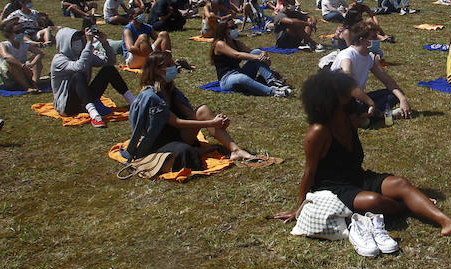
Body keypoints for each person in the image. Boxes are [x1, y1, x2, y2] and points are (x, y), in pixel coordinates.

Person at [276, 70, 451, 250]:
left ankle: (447, 223)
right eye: (344, 91)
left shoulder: (350, 118)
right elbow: (309, 172)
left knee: (401, 183)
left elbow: (372, 111)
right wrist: (298, 209)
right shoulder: (318, 132)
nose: (351, 93)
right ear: (329, 98)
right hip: (333, 188)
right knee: (374, 201)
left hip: (358, 177)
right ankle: (408, 205)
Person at [122, 50, 255, 164]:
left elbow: (191, 115)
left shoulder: (170, 89)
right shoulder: (151, 96)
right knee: (184, 153)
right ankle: (196, 150)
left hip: (177, 135)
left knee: (203, 110)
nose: (174, 67)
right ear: (156, 70)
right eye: (169, 65)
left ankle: (235, 150)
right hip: (159, 140)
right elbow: (177, 122)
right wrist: (212, 122)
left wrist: (216, 123)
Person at [50, 23, 134, 128]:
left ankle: (133, 102)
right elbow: (79, 67)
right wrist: (89, 44)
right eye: (74, 39)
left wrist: (104, 43)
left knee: (108, 69)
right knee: (78, 76)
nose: (78, 41)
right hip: (67, 106)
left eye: (78, 38)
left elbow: (110, 61)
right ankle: (94, 115)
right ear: (65, 42)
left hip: (84, 99)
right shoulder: (59, 59)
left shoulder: (84, 54)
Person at [333, 20, 412, 124]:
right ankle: (378, 115)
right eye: (374, 37)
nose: (377, 40)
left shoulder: (370, 58)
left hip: (359, 98)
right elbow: (349, 85)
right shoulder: (347, 56)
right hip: (339, 100)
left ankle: (364, 116)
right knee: (352, 105)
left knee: (393, 94)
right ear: (362, 40)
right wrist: (370, 102)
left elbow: (388, 81)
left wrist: (402, 99)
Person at [210, 17, 293, 96]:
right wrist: (258, 57)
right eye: (232, 27)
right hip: (227, 79)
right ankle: (274, 92)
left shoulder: (236, 43)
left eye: (235, 26)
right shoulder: (219, 44)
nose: (235, 29)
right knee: (241, 78)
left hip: (239, 72)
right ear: (223, 30)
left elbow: (252, 53)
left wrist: (262, 54)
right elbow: (237, 55)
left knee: (257, 52)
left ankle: (272, 81)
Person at [0, 19, 44, 91]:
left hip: (23, 72)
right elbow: (6, 56)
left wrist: (31, 64)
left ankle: (34, 84)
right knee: (11, 63)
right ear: (9, 34)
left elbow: (40, 53)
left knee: (37, 61)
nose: (21, 34)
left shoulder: (25, 45)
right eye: (17, 32)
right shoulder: (4, 45)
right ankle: (27, 87)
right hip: (7, 77)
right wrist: (22, 65)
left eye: (22, 31)